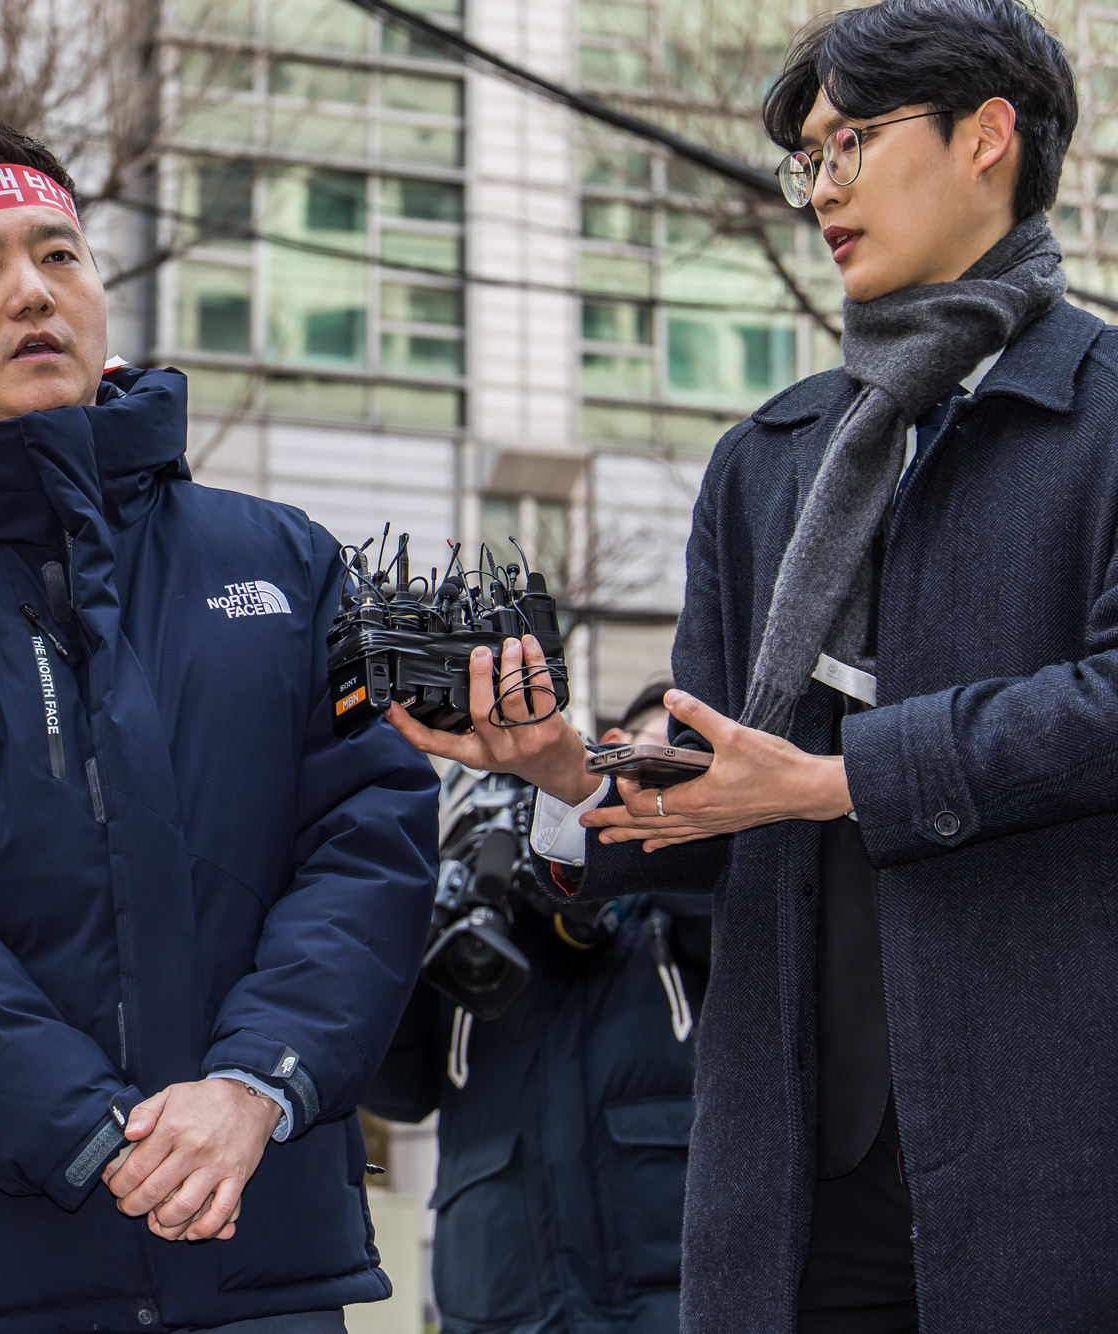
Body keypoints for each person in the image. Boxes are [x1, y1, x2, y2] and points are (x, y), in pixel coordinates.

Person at [392, 3, 1118, 1331]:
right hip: (795, 1167)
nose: (821, 188)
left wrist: (836, 781)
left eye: (852, 143)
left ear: (988, 138)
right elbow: (718, 785)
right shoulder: (769, 460)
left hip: (1060, 1153)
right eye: (808, 159)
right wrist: (564, 764)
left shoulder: (1108, 416)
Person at [0, 120, 439, 1330]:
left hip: (260, 1250)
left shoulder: (281, 561)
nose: (31, 291)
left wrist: (250, 1083)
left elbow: (368, 840)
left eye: (59, 255)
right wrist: (95, 1132)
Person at [368, 682, 710, 1334]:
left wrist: (600, 857)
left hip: (674, 1305)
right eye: (649, 755)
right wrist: (409, 917)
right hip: (505, 1306)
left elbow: (746, 932)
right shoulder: (469, 929)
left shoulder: (685, 911)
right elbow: (396, 1091)